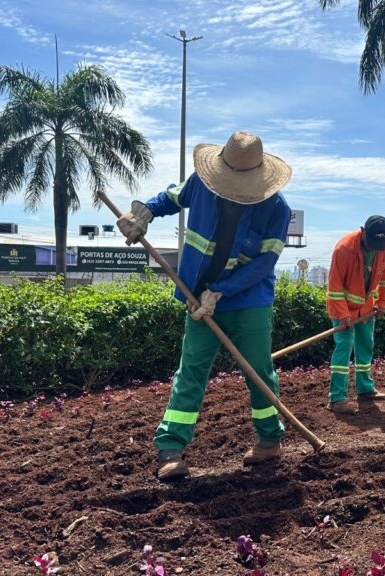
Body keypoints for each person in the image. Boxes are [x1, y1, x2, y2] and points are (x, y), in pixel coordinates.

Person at [117, 131, 292, 481]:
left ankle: (269, 439)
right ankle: (171, 447)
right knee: (192, 369)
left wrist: (222, 291)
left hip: (248, 302)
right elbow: (168, 198)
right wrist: (142, 213)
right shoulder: (202, 183)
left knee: (257, 371)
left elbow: (262, 265)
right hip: (197, 298)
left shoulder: (277, 208)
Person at [325, 216, 385, 414]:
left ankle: (365, 390)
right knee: (344, 347)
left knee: (365, 346)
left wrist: (382, 303)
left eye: (378, 243)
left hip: (366, 308)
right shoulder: (344, 248)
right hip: (342, 307)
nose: (374, 247)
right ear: (363, 231)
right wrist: (343, 315)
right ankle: (336, 399)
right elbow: (335, 287)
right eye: (371, 242)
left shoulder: (384, 246)